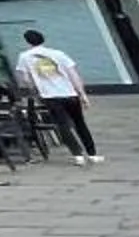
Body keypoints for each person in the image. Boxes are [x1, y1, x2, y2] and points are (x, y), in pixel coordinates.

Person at [12, 30, 101, 162]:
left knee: (62, 125)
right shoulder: (58, 54)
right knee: (80, 123)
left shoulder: (24, 57)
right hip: (69, 93)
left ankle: (77, 155)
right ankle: (92, 154)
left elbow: (26, 79)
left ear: (27, 42)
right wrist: (82, 94)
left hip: (49, 96)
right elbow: (73, 74)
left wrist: (35, 90)